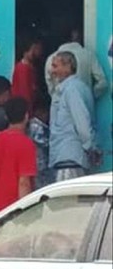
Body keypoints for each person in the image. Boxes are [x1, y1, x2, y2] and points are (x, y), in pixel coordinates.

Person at [48, 51, 100, 181]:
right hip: (68, 157)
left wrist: (90, 147)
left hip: (70, 158)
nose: (52, 70)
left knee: (66, 200)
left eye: (55, 66)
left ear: (68, 66)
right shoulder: (71, 88)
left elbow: (82, 122)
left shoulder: (72, 89)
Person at [45, 27, 108, 100]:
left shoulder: (51, 59)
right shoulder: (88, 55)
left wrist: (56, 99)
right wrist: (89, 95)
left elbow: (50, 86)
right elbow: (103, 82)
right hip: (85, 104)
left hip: (60, 106)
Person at [12, 35, 44, 113]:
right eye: (39, 49)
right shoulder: (23, 68)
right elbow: (25, 94)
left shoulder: (30, 67)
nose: (40, 52)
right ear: (33, 47)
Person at [28, 95, 51, 189]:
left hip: (39, 165)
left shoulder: (33, 125)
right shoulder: (35, 126)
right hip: (39, 164)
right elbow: (45, 142)